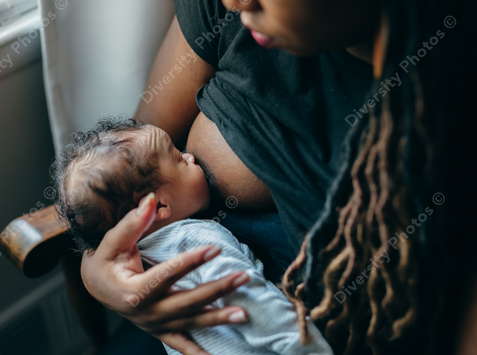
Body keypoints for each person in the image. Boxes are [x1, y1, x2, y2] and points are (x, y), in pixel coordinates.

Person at [79, 0, 477, 354]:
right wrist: (97, 275)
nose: (233, 1)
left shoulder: (449, 98)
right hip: (178, 323)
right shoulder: (226, 12)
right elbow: (128, 168)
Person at [53, 118, 333, 355]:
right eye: (179, 158)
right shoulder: (196, 242)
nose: (190, 156)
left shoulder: (142, 258)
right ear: (159, 207)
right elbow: (261, 312)